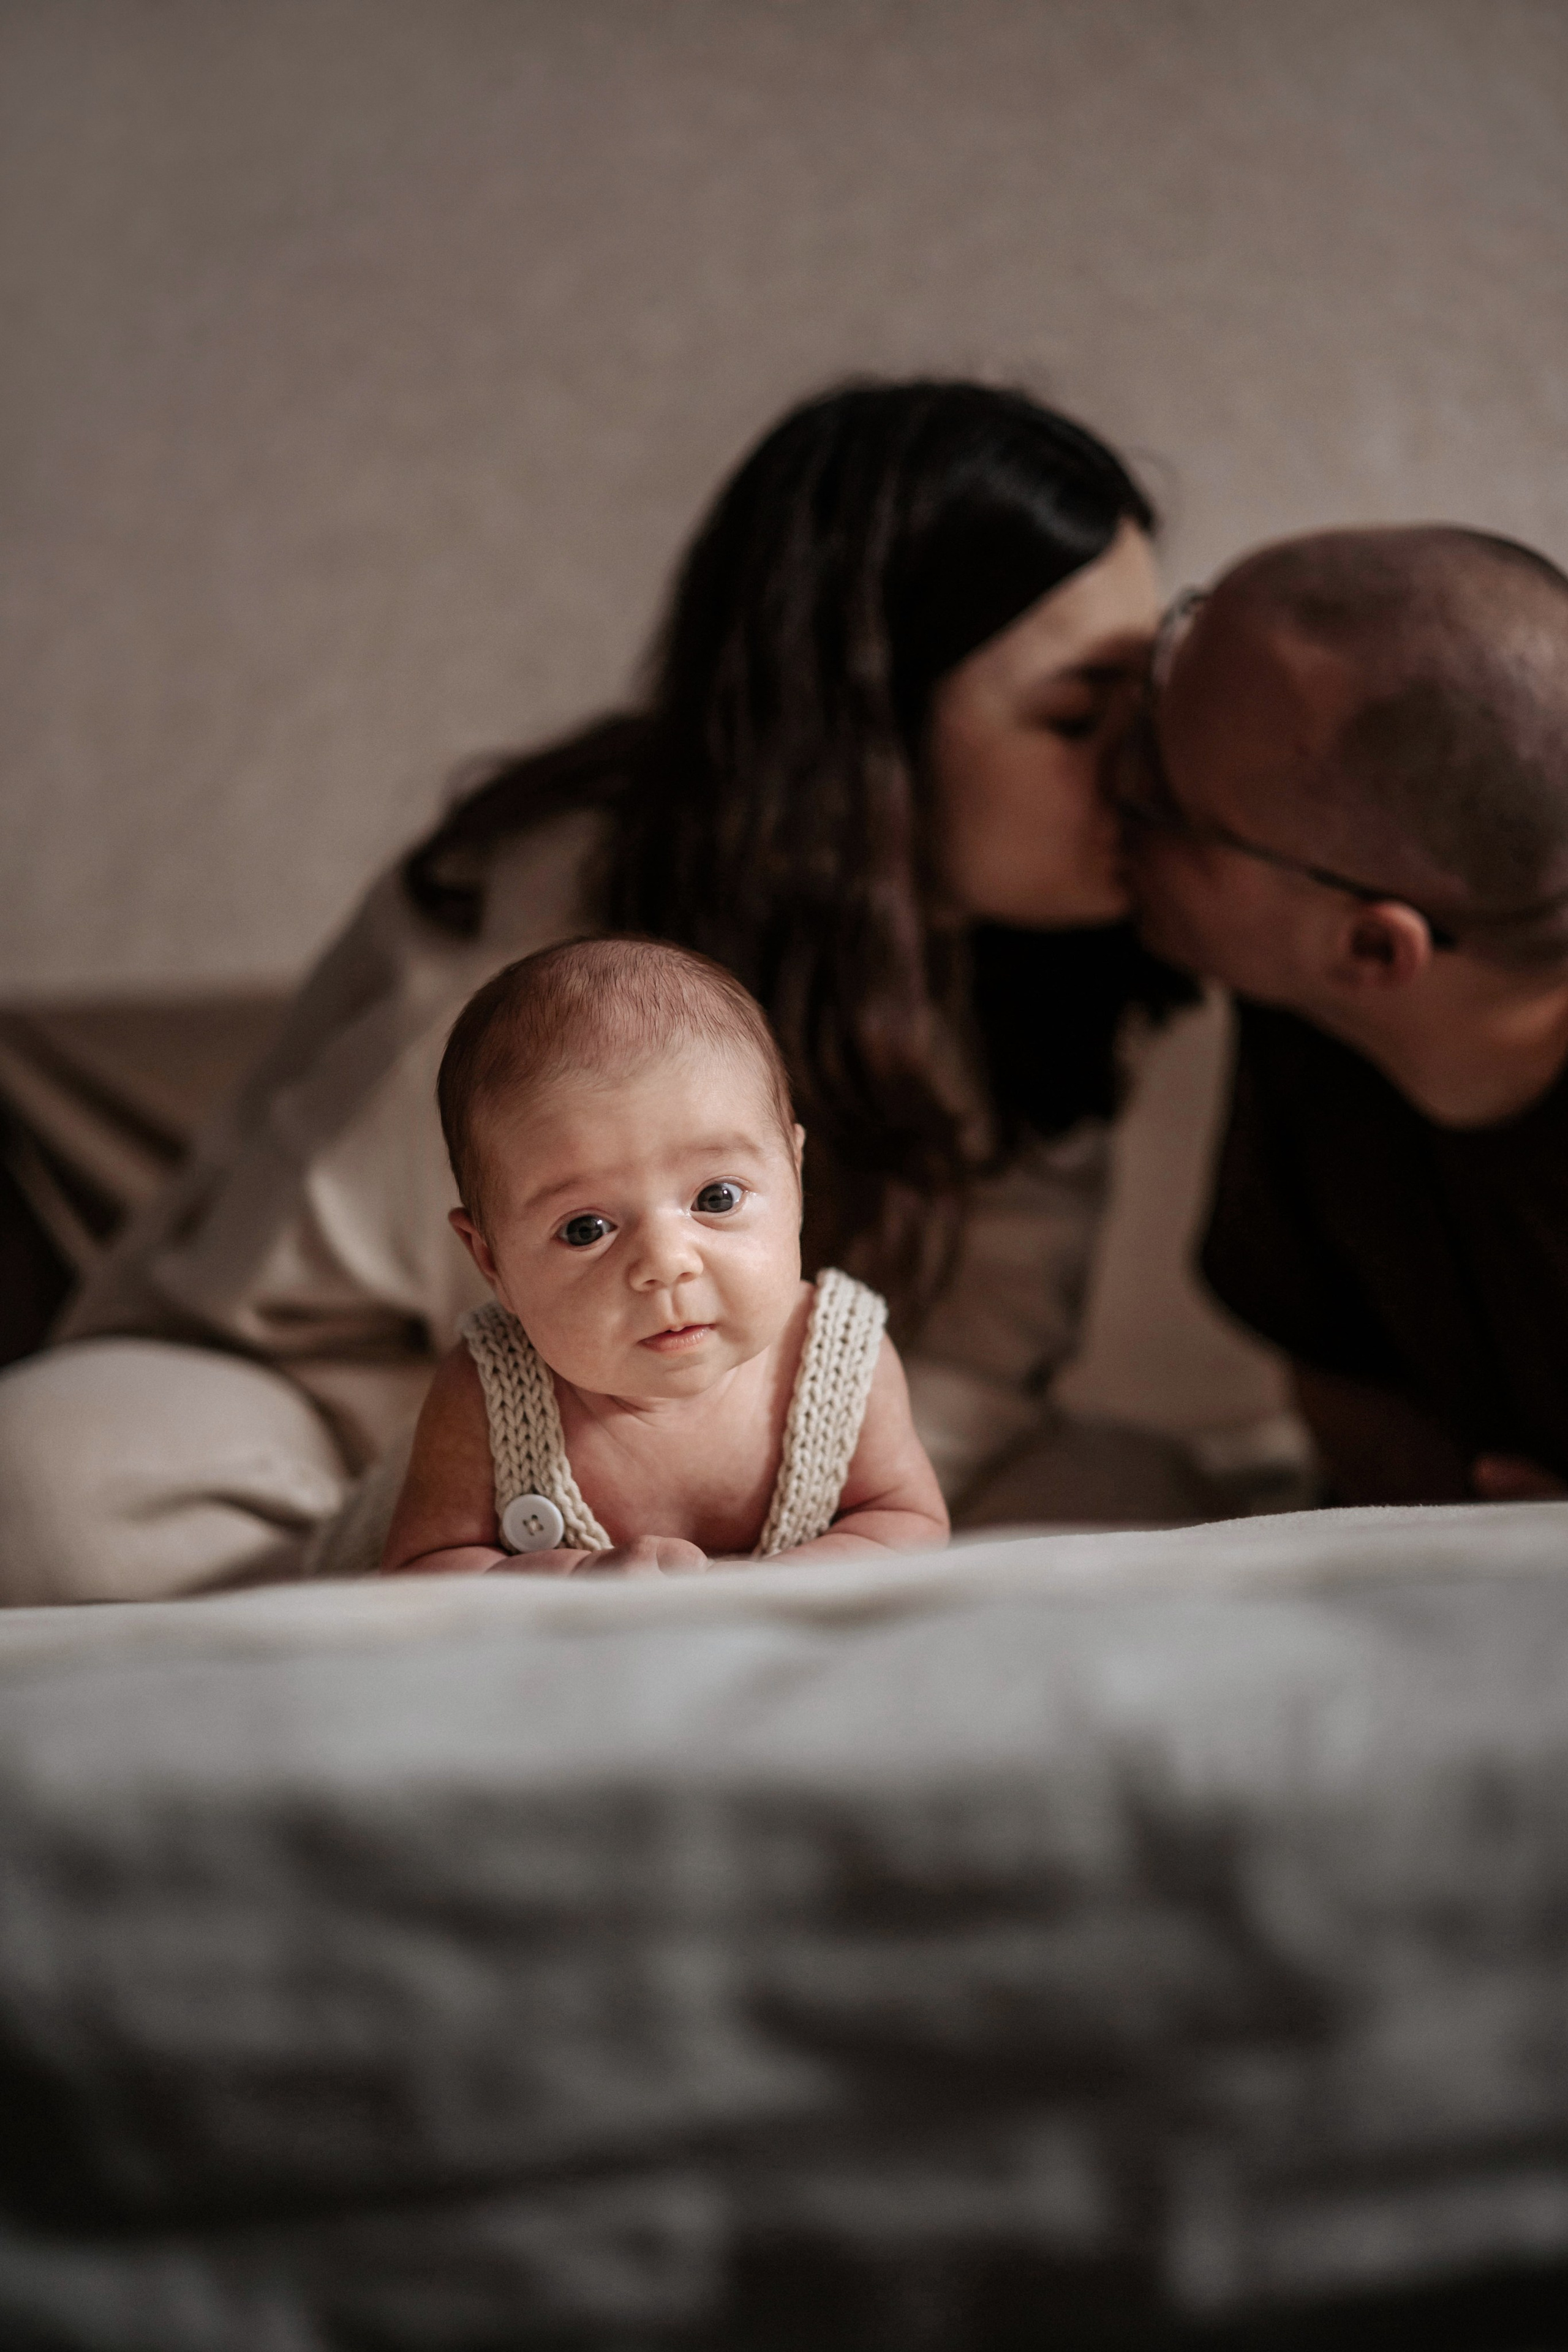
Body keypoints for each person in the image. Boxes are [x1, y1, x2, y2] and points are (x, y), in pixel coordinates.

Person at [0, 377, 1196, 1605]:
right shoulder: (563, 892)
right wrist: (551, 1494)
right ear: (872, 722)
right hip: (366, 1417)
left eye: (1144, 698)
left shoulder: (1057, 958)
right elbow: (298, 1313)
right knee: (44, 1485)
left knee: (1146, 1502)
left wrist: (765, 1502)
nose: (1144, 769)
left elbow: (977, 1377)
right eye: (1073, 717)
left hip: (776, 1450)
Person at [1120, 525, 1568, 1506]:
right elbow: (1363, 1437)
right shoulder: (1308, 1034)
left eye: (1171, 805)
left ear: (1371, 949)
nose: (1117, 795)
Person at [382, 938, 947, 1577]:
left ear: (794, 1173)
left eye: (716, 1196)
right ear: (490, 1262)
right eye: (586, 1228)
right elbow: (421, 1576)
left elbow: (907, 1525)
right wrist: (574, 1581)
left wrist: (777, 1586)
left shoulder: (842, 1360)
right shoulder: (491, 1389)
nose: (666, 1262)